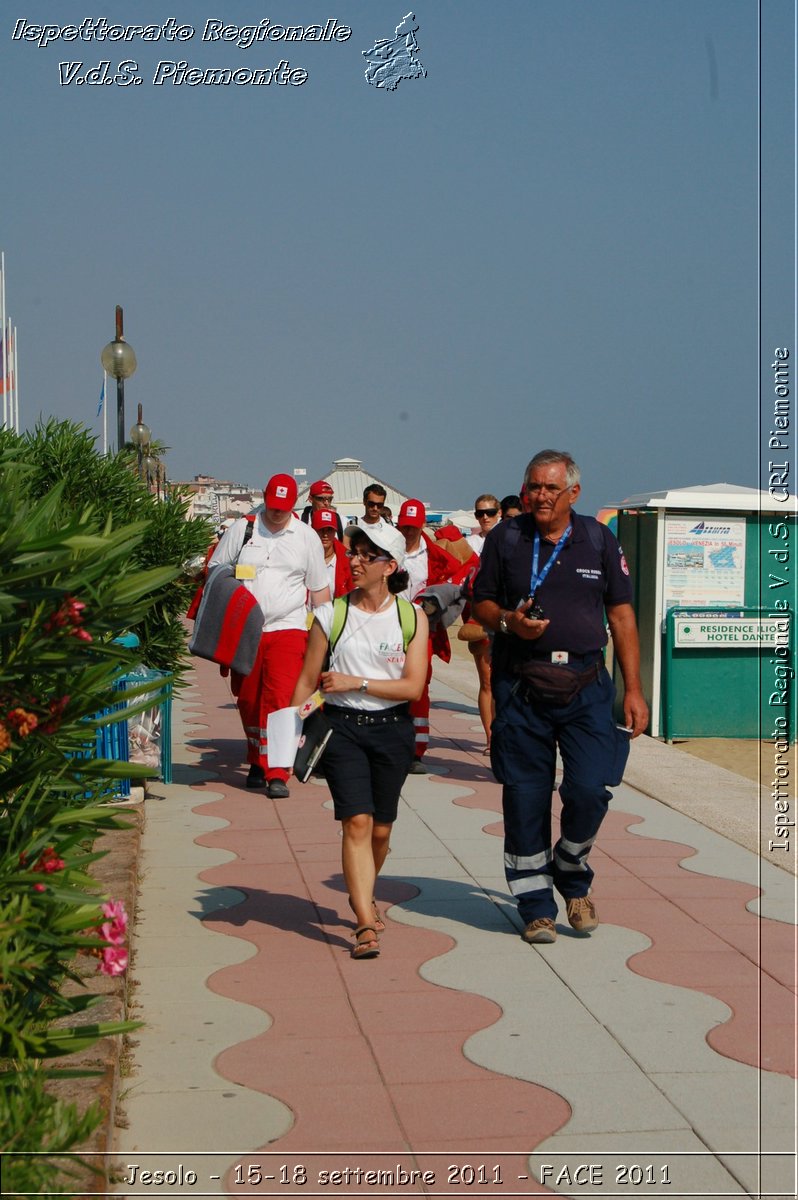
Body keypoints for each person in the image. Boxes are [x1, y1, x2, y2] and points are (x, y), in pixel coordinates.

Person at [473, 450, 648, 945]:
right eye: (533, 487)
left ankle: (572, 871)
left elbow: (622, 617)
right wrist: (509, 622)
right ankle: (535, 905)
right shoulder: (507, 538)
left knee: (591, 787)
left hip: (587, 684)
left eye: (551, 488)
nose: (541, 496)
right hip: (521, 684)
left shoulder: (596, 538)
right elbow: (480, 603)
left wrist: (633, 690)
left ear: (574, 492)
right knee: (525, 796)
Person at [291, 524, 429, 959]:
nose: (355, 560)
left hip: (393, 730)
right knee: (356, 823)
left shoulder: (411, 618)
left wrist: (358, 682)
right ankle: (364, 920)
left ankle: (365, 890)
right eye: (354, 553)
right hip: (342, 728)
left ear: (389, 566)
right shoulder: (330, 615)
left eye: (368, 555)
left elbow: (412, 688)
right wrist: (290, 734)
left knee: (382, 830)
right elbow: (306, 681)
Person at [211, 473, 331, 798]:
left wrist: (326, 641)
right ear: (264, 497)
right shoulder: (243, 530)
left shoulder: (306, 538)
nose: (277, 514)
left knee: (280, 700)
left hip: (289, 629)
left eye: (284, 508)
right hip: (247, 629)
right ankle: (256, 758)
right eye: (273, 506)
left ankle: (278, 770)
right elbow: (216, 571)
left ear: (294, 505)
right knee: (249, 699)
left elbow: (320, 592)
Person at [397, 499, 477, 771]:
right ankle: (388, 745)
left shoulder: (437, 556)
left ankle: (416, 751)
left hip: (421, 631)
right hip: (388, 627)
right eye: (404, 526)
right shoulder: (387, 551)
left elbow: (465, 574)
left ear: (422, 525)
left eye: (413, 527)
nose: (408, 532)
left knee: (419, 687)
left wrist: (442, 607)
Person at [462, 494, 502, 753]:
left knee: (503, 681)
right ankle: (491, 738)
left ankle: (504, 734)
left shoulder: (509, 539)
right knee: (486, 680)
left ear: (498, 512)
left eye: (489, 512)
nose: (485, 517)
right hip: (477, 617)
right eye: (480, 513)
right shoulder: (469, 544)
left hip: (504, 617)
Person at [312, 508, 354, 598]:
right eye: (321, 529)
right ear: (313, 530)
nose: (325, 534)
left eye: (329, 530)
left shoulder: (348, 561)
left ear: (335, 531)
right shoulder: (302, 557)